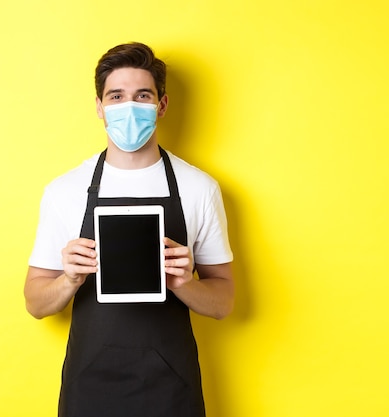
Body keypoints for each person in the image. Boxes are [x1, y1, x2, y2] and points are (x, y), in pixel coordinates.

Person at [24, 42, 234, 417]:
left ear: (162, 105)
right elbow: (35, 303)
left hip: (171, 386)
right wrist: (68, 279)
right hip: (89, 385)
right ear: (100, 108)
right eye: (116, 96)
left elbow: (224, 303)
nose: (129, 107)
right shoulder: (65, 191)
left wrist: (184, 283)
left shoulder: (198, 188)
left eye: (142, 96)